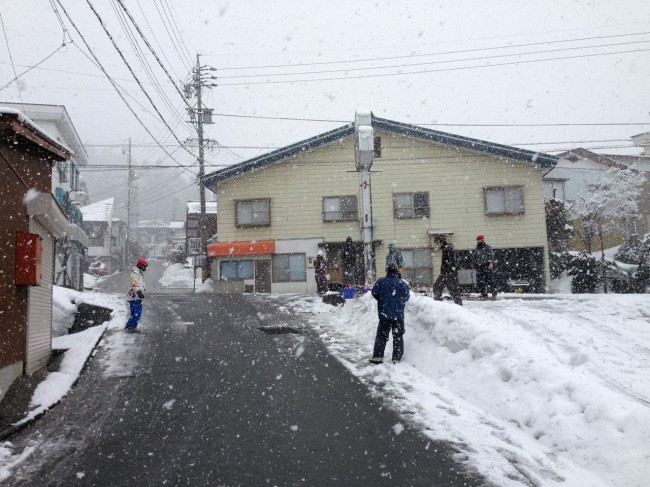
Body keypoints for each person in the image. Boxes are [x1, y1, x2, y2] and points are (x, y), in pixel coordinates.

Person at [369, 263, 411, 364]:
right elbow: (406, 297)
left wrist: (383, 300)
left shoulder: (381, 282)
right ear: (397, 271)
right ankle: (396, 358)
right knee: (398, 336)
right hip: (398, 316)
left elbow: (374, 293)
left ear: (387, 271)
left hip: (384, 315)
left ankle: (378, 356)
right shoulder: (402, 283)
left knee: (381, 336)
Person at [432, 235, 463, 306]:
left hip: (448, 273)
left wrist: (450, 272)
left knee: (453, 289)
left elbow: (452, 262)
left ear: (440, 241)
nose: (437, 244)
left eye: (437, 242)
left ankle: (459, 307)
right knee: (437, 286)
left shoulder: (448, 249)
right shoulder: (446, 248)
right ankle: (438, 304)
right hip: (445, 273)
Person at [124, 258, 147, 333]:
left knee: (136, 314)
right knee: (136, 314)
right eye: (144, 266)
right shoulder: (135, 273)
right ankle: (129, 327)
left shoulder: (140, 273)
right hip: (134, 297)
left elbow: (140, 283)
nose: (145, 268)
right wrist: (139, 291)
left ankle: (131, 327)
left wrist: (143, 289)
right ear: (140, 265)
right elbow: (134, 283)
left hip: (137, 297)